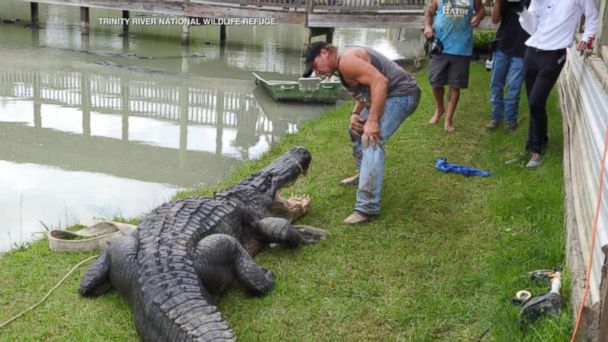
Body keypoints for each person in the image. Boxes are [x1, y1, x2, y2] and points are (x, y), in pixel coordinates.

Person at [302, 42, 421, 225]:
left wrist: (372, 121)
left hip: (402, 94)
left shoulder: (346, 61)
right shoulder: (341, 64)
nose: (316, 72)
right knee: (356, 129)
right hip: (388, 94)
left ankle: (367, 208)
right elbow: (366, 89)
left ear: (324, 53)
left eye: (315, 65)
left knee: (370, 138)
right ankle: (363, 174)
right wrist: (355, 114)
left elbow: (380, 82)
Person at [518, 0, 598, 168]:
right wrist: (522, 12)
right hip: (532, 52)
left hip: (554, 55)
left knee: (536, 102)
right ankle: (533, 144)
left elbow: (592, 17)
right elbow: (533, 28)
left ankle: (537, 151)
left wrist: (587, 38)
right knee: (533, 104)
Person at [423, 0, 485, 133]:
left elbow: (481, 10)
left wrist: (478, 17)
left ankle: (448, 120)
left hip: (461, 47)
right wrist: (428, 26)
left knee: (455, 85)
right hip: (440, 46)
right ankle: (440, 109)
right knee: (435, 82)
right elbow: (429, 12)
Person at [485, 0, 529, 132]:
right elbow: (494, 20)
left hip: (523, 49)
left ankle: (510, 120)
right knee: (496, 83)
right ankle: (495, 117)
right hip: (502, 46)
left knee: (514, 86)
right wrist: (497, 2)